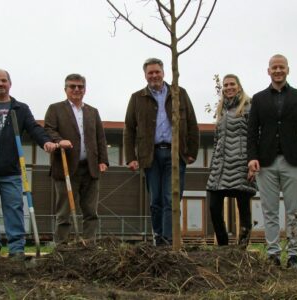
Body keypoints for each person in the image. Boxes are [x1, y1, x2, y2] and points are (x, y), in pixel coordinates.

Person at [247, 54, 297, 269]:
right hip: (265, 162)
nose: (278, 71)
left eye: (281, 67)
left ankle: (294, 256)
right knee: (270, 210)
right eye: (274, 67)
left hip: (292, 160)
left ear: (287, 70)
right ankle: (273, 254)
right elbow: (251, 131)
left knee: (294, 211)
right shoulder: (258, 98)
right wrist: (252, 157)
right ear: (268, 71)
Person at [0, 69, 56, 259]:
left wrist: (45, 142)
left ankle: (16, 249)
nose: (0, 84)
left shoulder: (20, 108)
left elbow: (34, 128)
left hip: (10, 169)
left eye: (3, 81)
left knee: (14, 207)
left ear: (10, 84)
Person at [124, 58, 199, 246]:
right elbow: (129, 129)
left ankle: (169, 240)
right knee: (155, 199)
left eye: (157, 71)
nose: (154, 75)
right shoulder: (137, 98)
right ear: (145, 75)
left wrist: (192, 152)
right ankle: (158, 237)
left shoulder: (179, 93)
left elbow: (192, 123)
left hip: (175, 154)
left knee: (171, 198)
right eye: (150, 73)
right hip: (150, 156)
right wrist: (131, 158)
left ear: (164, 73)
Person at [44, 73, 109, 245]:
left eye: (80, 86)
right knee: (64, 211)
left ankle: (89, 244)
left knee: (91, 211)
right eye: (72, 86)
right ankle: (62, 246)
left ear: (85, 89)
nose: (76, 89)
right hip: (65, 167)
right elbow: (49, 130)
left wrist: (103, 160)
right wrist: (59, 140)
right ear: (65, 89)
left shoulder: (92, 112)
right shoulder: (55, 109)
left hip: (90, 168)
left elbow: (100, 138)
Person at [206, 74, 257, 246]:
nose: (228, 87)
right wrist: (214, 164)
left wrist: (252, 163)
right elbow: (217, 139)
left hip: (241, 164)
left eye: (232, 84)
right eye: (225, 85)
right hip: (220, 167)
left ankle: (242, 248)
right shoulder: (221, 109)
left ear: (239, 86)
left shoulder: (249, 106)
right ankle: (223, 246)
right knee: (213, 206)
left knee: (243, 208)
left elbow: (254, 137)